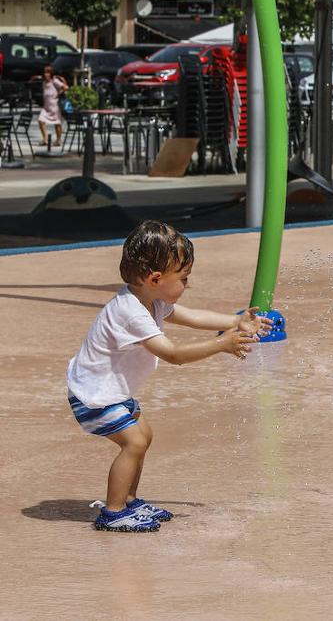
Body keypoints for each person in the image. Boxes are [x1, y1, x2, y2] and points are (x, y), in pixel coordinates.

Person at [66, 221, 270, 532]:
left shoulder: (151, 300)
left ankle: (130, 500)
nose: (187, 285)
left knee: (144, 437)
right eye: (184, 278)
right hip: (93, 396)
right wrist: (221, 344)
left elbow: (194, 317)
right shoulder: (131, 313)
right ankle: (113, 511)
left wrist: (236, 321)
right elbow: (173, 354)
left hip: (112, 391)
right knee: (133, 443)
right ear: (155, 278)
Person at [38, 65, 67, 148]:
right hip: (46, 106)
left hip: (54, 106)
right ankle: (45, 139)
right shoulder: (44, 82)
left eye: (48, 72)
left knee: (57, 123)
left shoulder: (55, 81)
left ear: (51, 73)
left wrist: (59, 93)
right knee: (41, 121)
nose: (46, 74)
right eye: (45, 72)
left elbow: (65, 87)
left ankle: (58, 140)